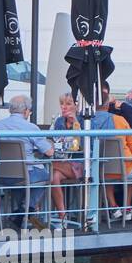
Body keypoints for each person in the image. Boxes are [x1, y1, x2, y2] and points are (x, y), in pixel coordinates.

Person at [0, 95, 53, 225]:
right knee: (47, 176)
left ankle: (20, 212)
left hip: (1, 175)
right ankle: (27, 210)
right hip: (25, 174)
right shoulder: (31, 127)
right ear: (25, 111)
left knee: (22, 180)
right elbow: (49, 151)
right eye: (30, 111)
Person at [48, 94, 86, 227]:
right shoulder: (58, 121)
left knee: (48, 167)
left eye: (68, 104)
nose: (64, 107)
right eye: (62, 103)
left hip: (80, 163)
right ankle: (62, 215)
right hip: (63, 161)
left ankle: (33, 208)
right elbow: (52, 140)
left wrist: (75, 122)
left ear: (76, 106)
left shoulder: (83, 120)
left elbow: (79, 146)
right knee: (53, 177)